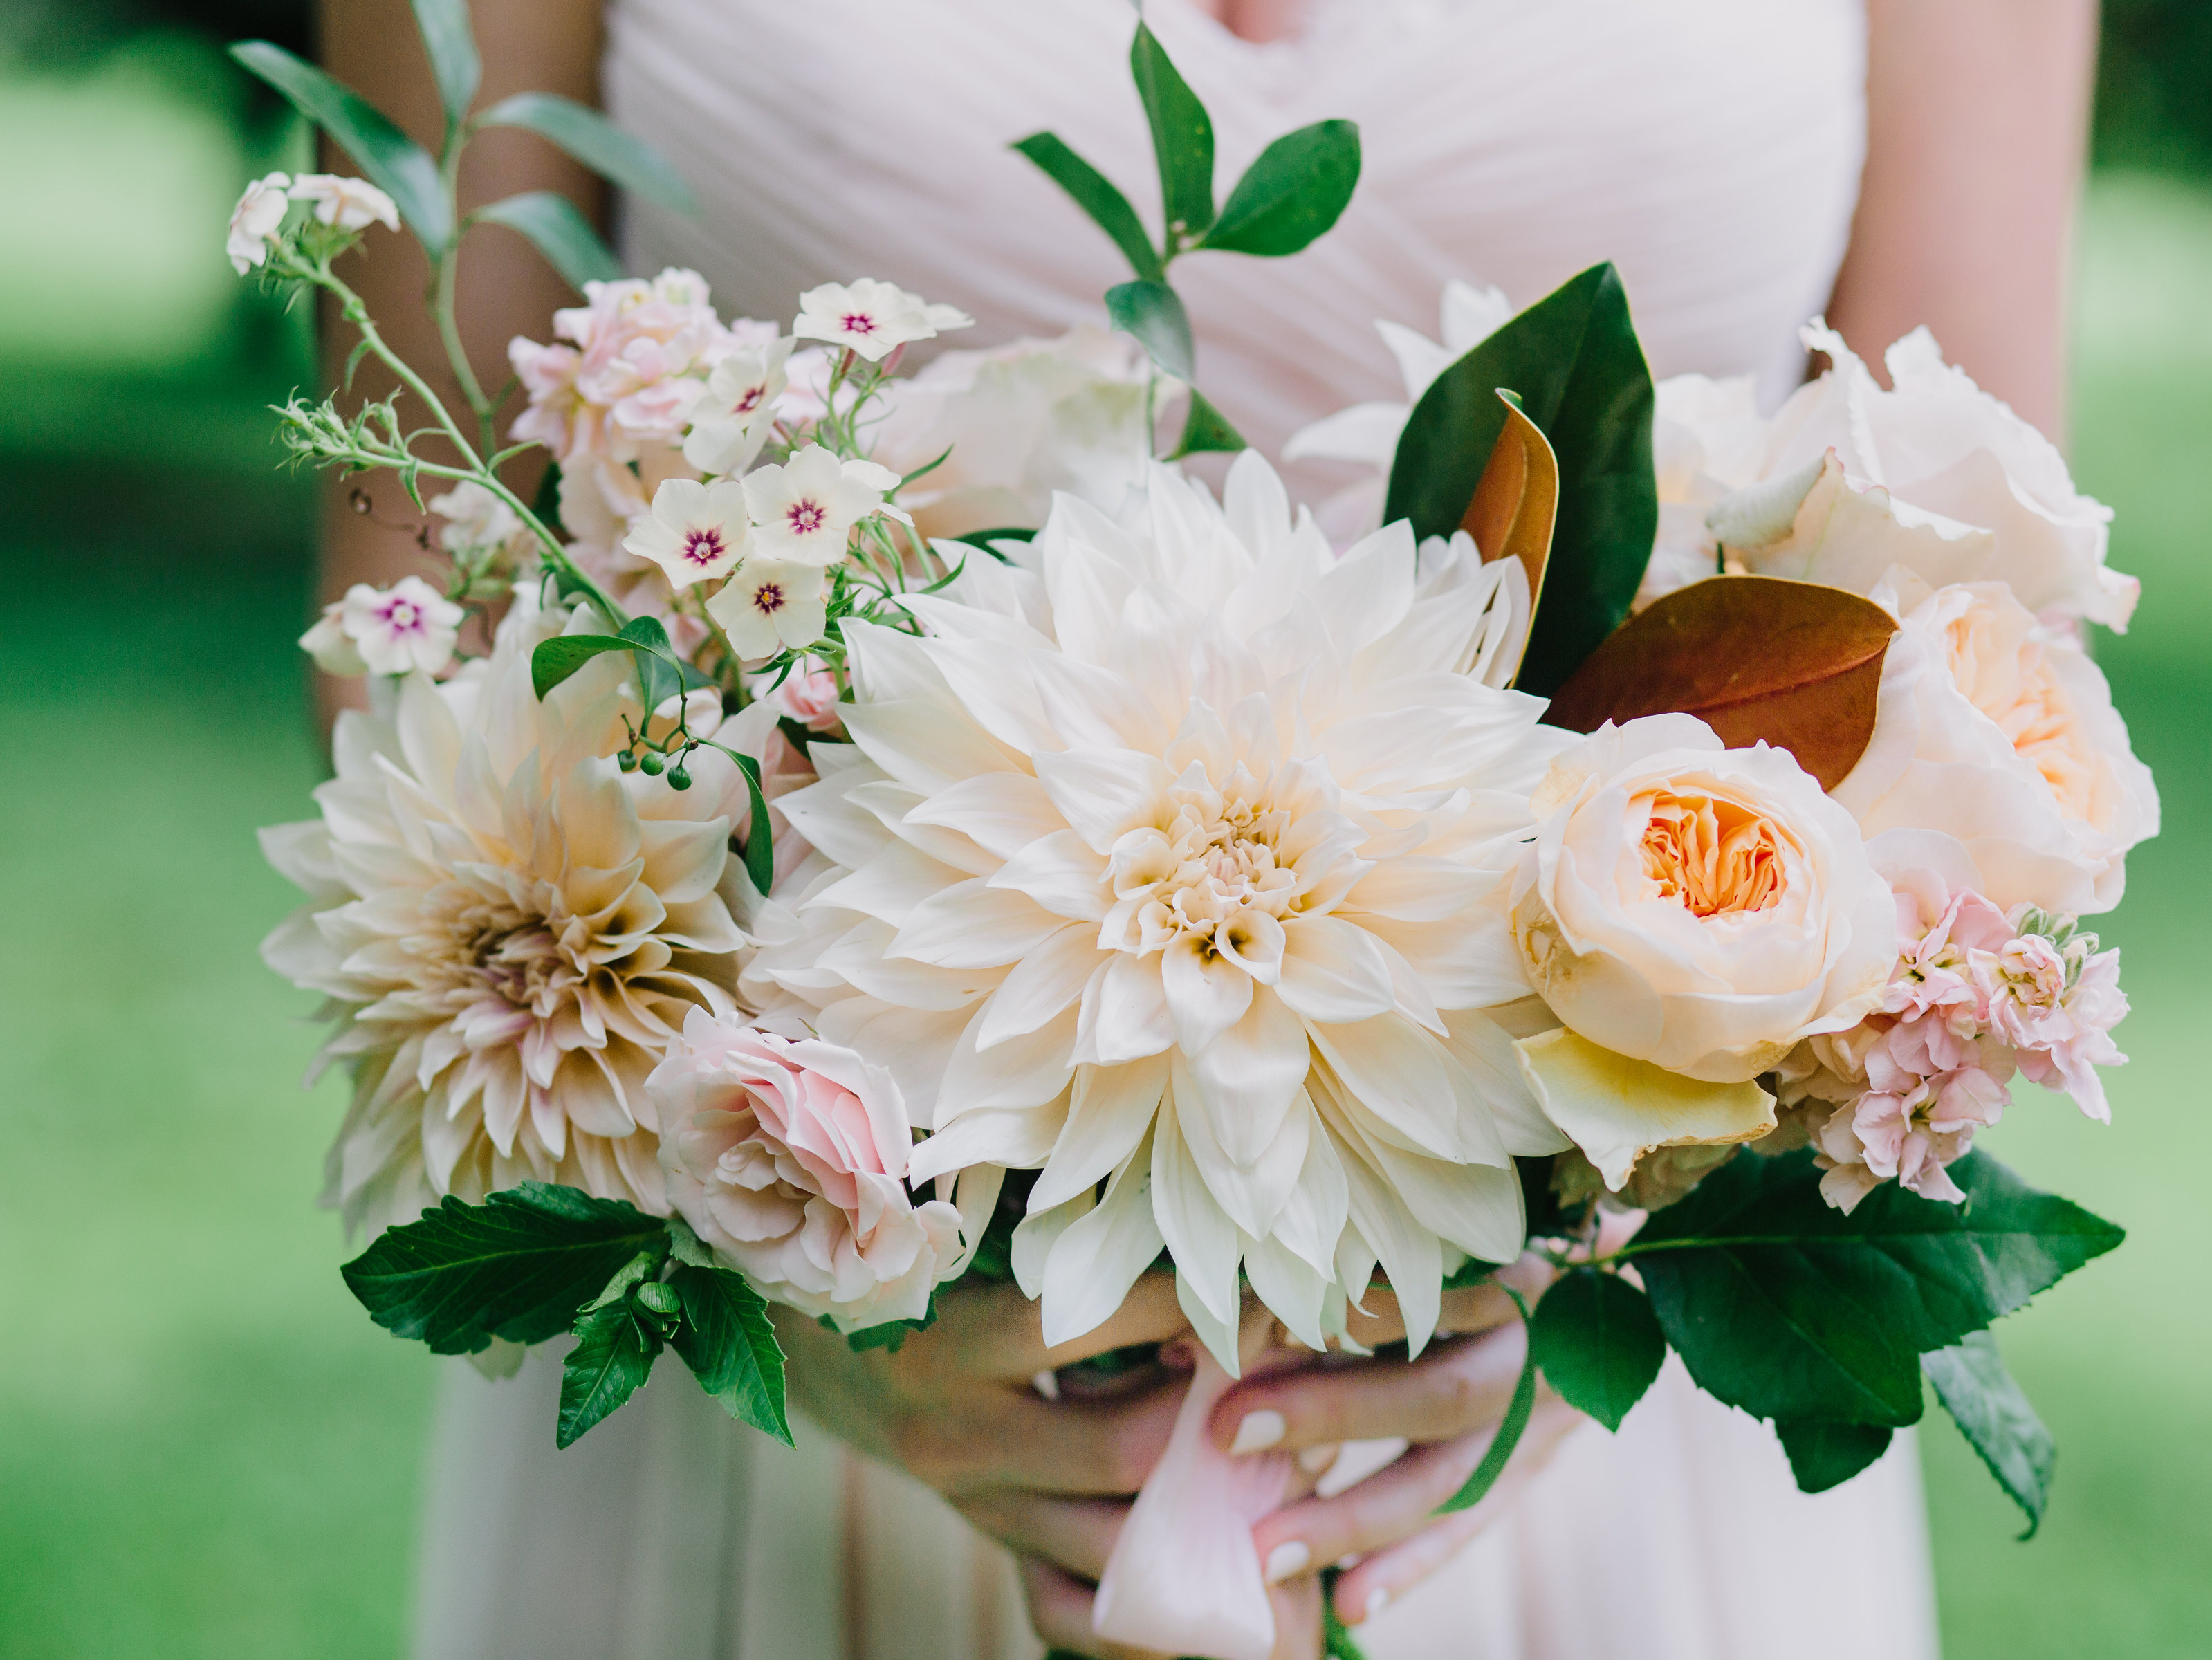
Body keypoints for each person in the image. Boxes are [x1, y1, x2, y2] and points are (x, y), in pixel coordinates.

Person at [313, 2, 2100, 1655]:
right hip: (810, 1368)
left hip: (1547, 1444)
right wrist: (762, 1277)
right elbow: (415, 583)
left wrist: (1607, 1265)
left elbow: (1963, 600)